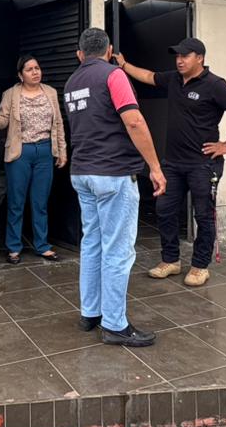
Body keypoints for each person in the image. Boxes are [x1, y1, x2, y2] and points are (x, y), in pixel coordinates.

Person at [115, 36, 226, 287]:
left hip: (203, 164)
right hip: (173, 163)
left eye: (184, 56)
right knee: (164, 210)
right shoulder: (174, 79)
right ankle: (170, 260)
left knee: (204, 216)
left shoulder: (215, 84)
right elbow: (149, 76)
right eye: (177, 56)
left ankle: (200, 266)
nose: (179, 60)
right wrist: (124, 65)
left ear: (199, 58)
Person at [64, 27, 166, 347]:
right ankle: (115, 324)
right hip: (112, 173)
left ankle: (90, 313)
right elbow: (134, 121)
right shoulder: (113, 75)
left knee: (93, 243)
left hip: (82, 173)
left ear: (80, 54)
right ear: (109, 51)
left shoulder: (71, 82)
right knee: (118, 250)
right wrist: (155, 167)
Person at [0, 55, 67, 264]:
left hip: (45, 152)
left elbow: (58, 124)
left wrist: (62, 151)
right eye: (29, 69)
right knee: (16, 202)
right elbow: (2, 122)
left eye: (37, 68)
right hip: (20, 153)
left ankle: (42, 245)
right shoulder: (11, 94)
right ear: (20, 75)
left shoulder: (50, 92)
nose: (35, 72)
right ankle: (13, 247)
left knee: (40, 202)